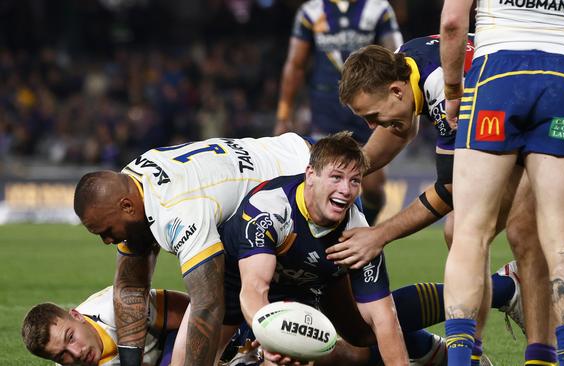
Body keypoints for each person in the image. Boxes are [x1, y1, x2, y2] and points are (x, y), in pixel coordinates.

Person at [332, 35, 564, 365]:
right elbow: (398, 128)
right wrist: (349, 169)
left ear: (396, 91)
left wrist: (379, 235)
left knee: (520, 231)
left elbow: (450, 189)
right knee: (462, 232)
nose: (371, 125)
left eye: (373, 116)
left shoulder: (446, 86)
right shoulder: (403, 64)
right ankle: (486, 333)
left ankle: (538, 354)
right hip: (514, 116)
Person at [439, 0, 564, 364]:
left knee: (471, 233)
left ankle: (459, 361)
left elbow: (454, 23)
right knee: (563, 243)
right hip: (559, 82)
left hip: (493, 76)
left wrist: (453, 92)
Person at [73, 133, 312, 366]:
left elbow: (208, 304)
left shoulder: (178, 210)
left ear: (127, 206)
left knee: (302, 346)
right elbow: (131, 288)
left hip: (305, 180)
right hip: (276, 167)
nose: (106, 241)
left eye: (106, 231)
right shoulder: (130, 185)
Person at [218, 131, 409, 365]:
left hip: (302, 289)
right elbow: (254, 289)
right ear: (311, 174)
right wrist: (270, 338)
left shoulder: (357, 235)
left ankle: (446, 325)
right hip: (232, 282)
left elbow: (384, 319)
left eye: (355, 180)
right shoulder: (270, 210)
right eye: (336, 177)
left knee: (357, 342)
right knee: (196, 352)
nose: (346, 190)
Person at [274, 0, 404, 225]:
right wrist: (283, 115)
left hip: (368, 116)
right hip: (326, 113)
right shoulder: (312, 12)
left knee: (373, 188)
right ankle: (319, 244)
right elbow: (295, 65)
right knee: (322, 182)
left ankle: (363, 229)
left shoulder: (378, 8)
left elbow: (397, 56)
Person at [21, 286, 188, 366]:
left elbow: (197, 311)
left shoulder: (121, 307)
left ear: (77, 316)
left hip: (171, 346)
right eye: (61, 356)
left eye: (71, 337)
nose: (77, 353)